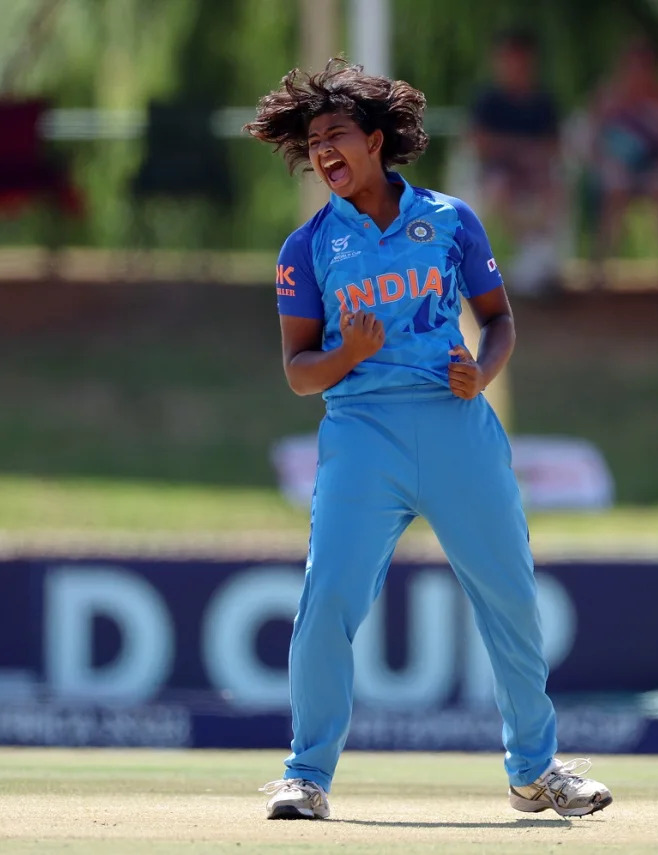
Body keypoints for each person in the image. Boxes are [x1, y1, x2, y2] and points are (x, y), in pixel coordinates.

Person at [244, 59, 612, 820]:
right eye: (312, 141)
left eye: (336, 135)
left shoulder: (450, 220)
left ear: (376, 141)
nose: (322, 153)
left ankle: (536, 772)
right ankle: (305, 775)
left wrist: (482, 371)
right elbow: (299, 372)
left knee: (509, 597)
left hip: (457, 426)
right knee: (328, 601)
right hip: (361, 434)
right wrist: (347, 354)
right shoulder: (306, 247)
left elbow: (501, 318)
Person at [468, 29, 564, 296]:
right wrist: (518, 149)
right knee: (500, 187)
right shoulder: (488, 100)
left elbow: (554, 146)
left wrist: (528, 156)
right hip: (497, 174)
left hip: (534, 174)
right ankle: (506, 256)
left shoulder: (542, 101)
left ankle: (537, 257)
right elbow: (479, 142)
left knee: (553, 188)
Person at [587, 39, 658, 285]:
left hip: (656, 169)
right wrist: (608, 164)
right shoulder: (608, 98)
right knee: (615, 188)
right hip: (617, 169)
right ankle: (600, 269)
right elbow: (592, 140)